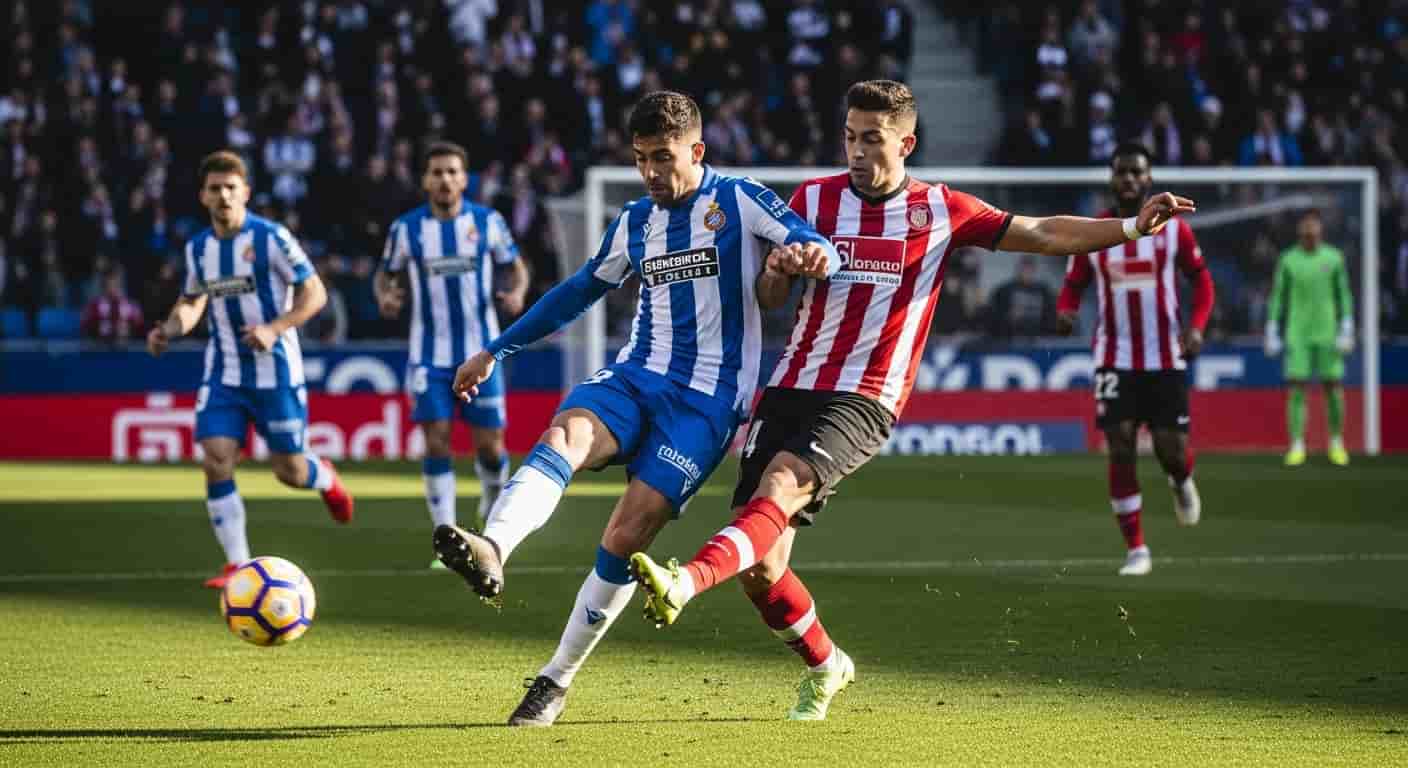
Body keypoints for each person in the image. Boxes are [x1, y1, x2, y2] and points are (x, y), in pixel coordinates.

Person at [628, 81, 1196, 721]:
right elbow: (768, 299)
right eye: (849, 136)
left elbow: (1040, 232)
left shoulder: (939, 209)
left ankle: (686, 580)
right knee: (763, 566)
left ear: (906, 142)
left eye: (872, 139)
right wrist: (778, 271)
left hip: (865, 396)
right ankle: (827, 664)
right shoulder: (811, 200)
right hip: (790, 386)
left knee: (781, 486)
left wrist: (1127, 226)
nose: (857, 151)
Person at [437, 91, 838, 727]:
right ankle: (494, 546)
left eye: (665, 158)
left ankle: (555, 680)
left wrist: (816, 254)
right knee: (565, 434)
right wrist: (496, 350)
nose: (652, 172)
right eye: (642, 158)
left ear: (697, 151)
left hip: (707, 401)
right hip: (634, 375)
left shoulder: (738, 199)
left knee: (628, 534)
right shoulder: (633, 221)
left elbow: (809, 239)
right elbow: (577, 292)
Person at [146, 150, 353, 589]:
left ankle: (325, 476)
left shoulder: (271, 238)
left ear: (245, 193)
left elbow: (315, 293)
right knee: (216, 460)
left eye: (230, 188)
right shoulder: (199, 248)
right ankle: (238, 566)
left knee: (289, 472)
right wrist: (168, 329)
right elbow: (192, 302)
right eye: (215, 189)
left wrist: (275, 328)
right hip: (224, 373)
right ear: (203, 196)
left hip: (275, 372)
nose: (223, 196)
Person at [1054, 142, 1215, 576]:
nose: (1128, 179)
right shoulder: (1096, 230)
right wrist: (1066, 310)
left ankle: (1181, 480)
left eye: (1136, 172)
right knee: (1120, 445)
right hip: (1114, 356)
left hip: (1165, 356)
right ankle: (1137, 550)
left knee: (1172, 450)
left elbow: (1201, 281)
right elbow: (1074, 282)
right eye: (1121, 171)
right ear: (1112, 178)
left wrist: (1196, 326)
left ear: (1149, 179)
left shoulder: (1175, 230)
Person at [374, 142, 528, 559]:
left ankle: (491, 511)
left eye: (451, 172)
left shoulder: (488, 222)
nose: (444, 179)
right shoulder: (406, 228)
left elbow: (515, 266)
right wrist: (387, 297)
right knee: (436, 440)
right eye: (437, 172)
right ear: (425, 180)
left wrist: (516, 291)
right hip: (429, 356)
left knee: (491, 447)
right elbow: (384, 275)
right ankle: (445, 535)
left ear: (464, 179)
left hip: (482, 354)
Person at [1264, 209, 1355, 467]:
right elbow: (1279, 295)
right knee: (1296, 389)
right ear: (1299, 229)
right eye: (1305, 225)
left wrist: (1347, 325)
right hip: (1297, 333)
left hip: (1327, 332)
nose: (1310, 230)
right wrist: (1272, 326)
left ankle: (1336, 442)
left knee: (1333, 388)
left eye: (1313, 225)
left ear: (1320, 228)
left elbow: (1344, 294)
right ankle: (1297, 445)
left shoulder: (1334, 258)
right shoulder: (1289, 259)